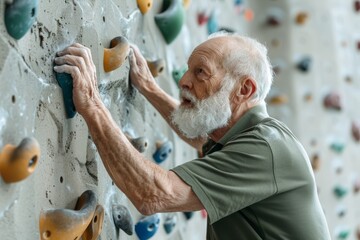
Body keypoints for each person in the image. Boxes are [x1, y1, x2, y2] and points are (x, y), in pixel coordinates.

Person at [53, 32, 331, 239]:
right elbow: (201, 137)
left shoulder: (268, 149)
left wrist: (91, 102)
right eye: (188, 69)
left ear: (244, 90)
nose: (184, 80)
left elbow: (152, 194)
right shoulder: (247, 135)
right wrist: (149, 88)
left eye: (201, 72)